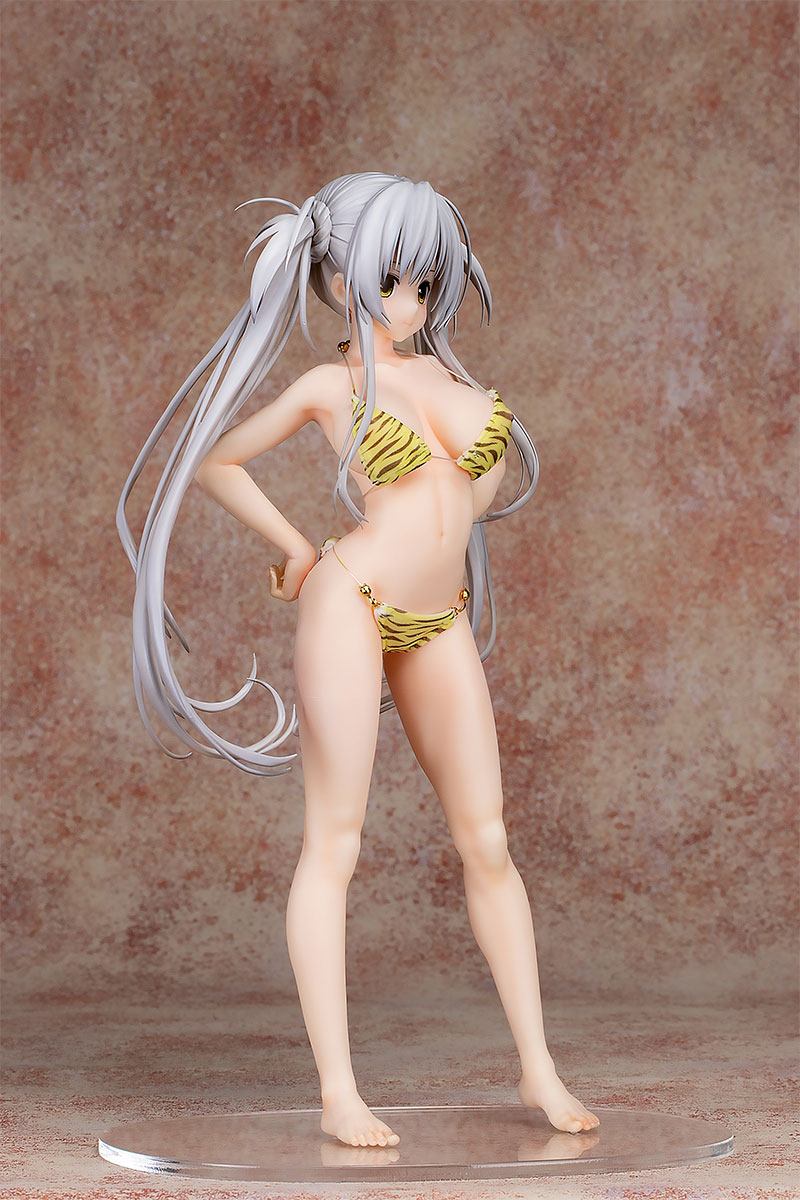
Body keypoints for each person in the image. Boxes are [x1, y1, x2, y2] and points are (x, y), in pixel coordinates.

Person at [117, 172, 599, 1148]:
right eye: (387, 281)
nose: (407, 304)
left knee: (487, 840)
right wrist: (298, 548)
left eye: (424, 284)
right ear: (336, 279)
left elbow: (464, 508)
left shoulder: (456, 386)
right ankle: (338, 1091)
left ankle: (539, 1067)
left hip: (438, 619)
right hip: (352, 604)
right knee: (334, 843)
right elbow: (214, 459)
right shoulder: (328, 387)